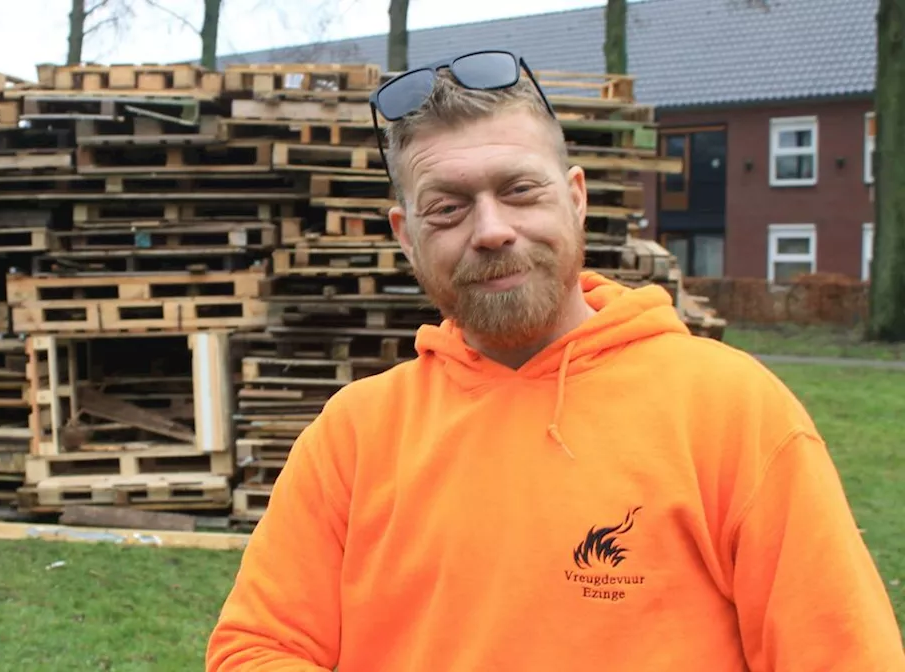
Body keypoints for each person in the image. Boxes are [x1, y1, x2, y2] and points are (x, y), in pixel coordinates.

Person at [205, 51, 905, 671]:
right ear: (406, 237)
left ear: (574, 198)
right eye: (447, 208)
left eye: (518, 190)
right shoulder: (353, 436)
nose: (492, 230)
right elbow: (257, 648)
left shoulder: (732, 414)